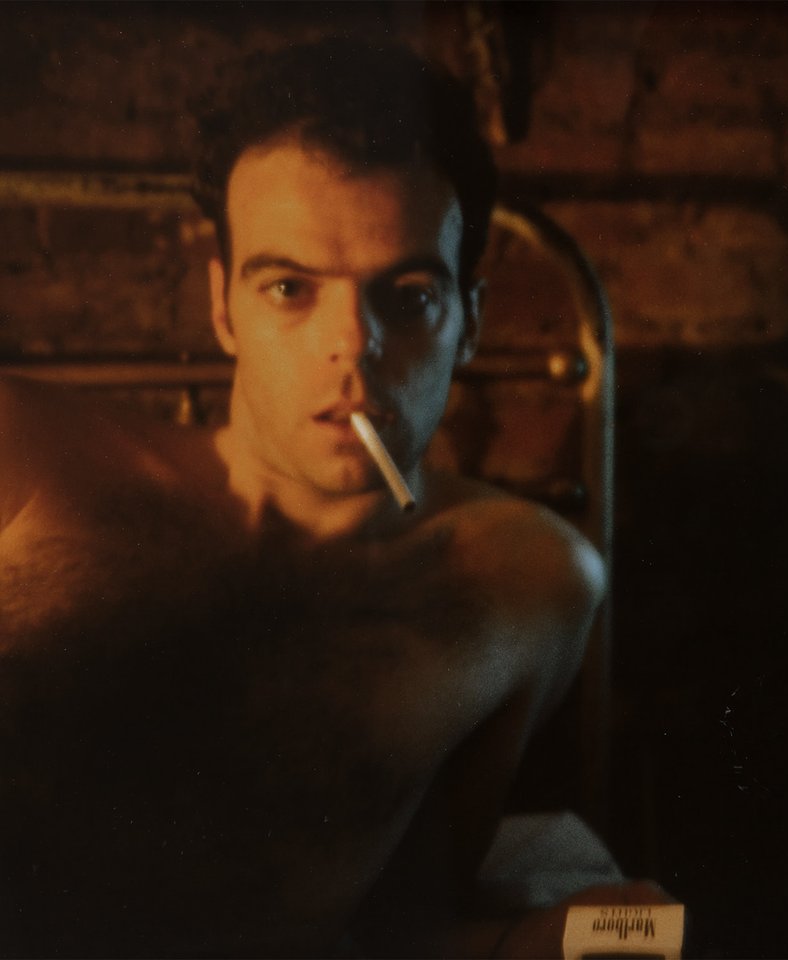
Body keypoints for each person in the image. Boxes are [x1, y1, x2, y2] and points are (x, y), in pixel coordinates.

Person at [0, 36, 655, 957]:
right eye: (289, 288)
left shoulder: (528, 583)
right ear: (223, 307)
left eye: (409, 296)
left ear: (470, 322)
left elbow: (406, 923)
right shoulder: (23, 455)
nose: (352, 347)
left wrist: (605, 929)